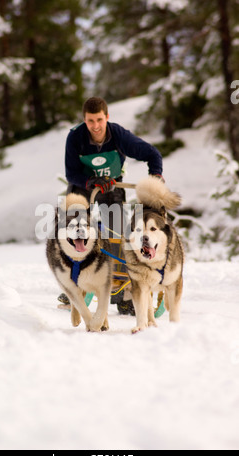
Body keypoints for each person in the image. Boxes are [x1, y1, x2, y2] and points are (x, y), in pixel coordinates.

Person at [59, 96, 164, 315]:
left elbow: (152, 154)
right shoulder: (75, 137)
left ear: (107, 117)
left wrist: (156, 175)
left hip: (111, 186)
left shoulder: (118, 135)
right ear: (84, 120)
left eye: (99, 120)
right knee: (76, 232)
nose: (95, 126)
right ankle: (74, 283)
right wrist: (90, 182)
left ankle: (121, 293)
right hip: (83, 186)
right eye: (90, 121)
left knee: (116, 235)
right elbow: (71, 172)